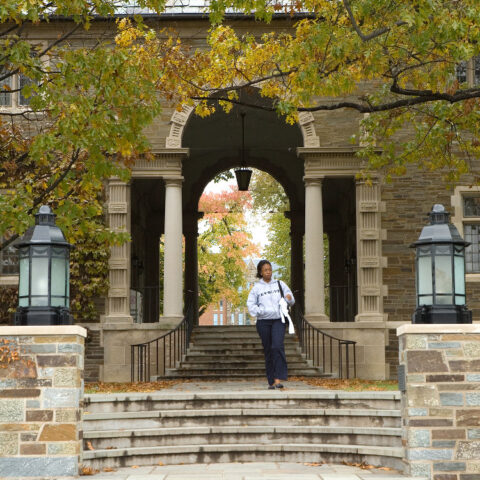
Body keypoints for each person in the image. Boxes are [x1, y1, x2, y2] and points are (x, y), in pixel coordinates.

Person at [247, 260, 295, 389]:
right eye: (265, 270)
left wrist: (289, 298)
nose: (268, 272)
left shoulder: (280, 284)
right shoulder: (257, 288)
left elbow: (290, 298)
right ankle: (271, 381)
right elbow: (250, 305)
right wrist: (261, 311)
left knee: (277, 346)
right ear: (261, 272)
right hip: (263, 322)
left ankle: (278, 379)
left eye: (270, 269)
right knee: (268, 350)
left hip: (278, 320)